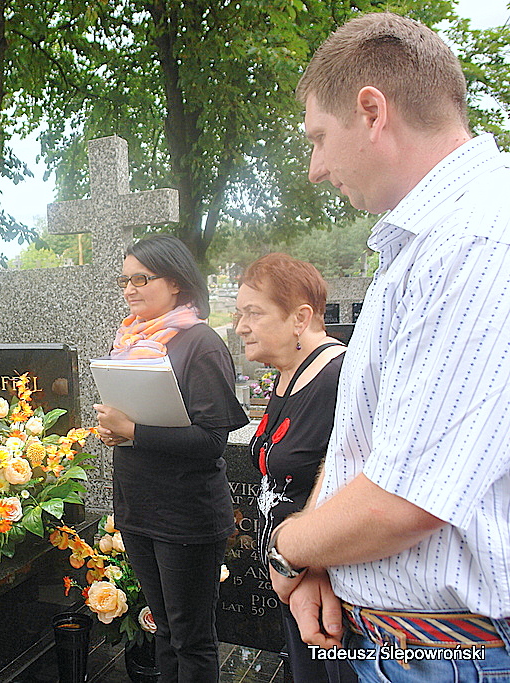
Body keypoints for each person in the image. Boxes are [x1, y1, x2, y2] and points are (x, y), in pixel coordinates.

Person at [267, 12, 510, 681]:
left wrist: (287, 546)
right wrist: (321, 556)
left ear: (372, 111)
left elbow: (407, 500)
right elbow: (365, 440)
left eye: (319, 137)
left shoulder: (476, 238)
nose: (316, 169)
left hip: (456, 653)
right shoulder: (422, 242)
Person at [95, 235, 248, 682]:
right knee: (162, 630)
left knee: (190, 639)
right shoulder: (130, 340)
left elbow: (211, 439)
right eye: (125, 280)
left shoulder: (200, 344)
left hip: (185, 517)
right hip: (139, 510)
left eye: (142, 278)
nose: (130, 288)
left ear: (177, 282)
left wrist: (133, 431)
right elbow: (142, 426)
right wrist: (117, 432)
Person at [234, 253, 354, 683]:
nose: (240, 326)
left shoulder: (341, 376)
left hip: (331, 591)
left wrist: (306, 566)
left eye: (253, 313)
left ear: (300, 318)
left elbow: (351, 478)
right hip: (294, 581)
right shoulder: (289, 372)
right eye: (239, 314)